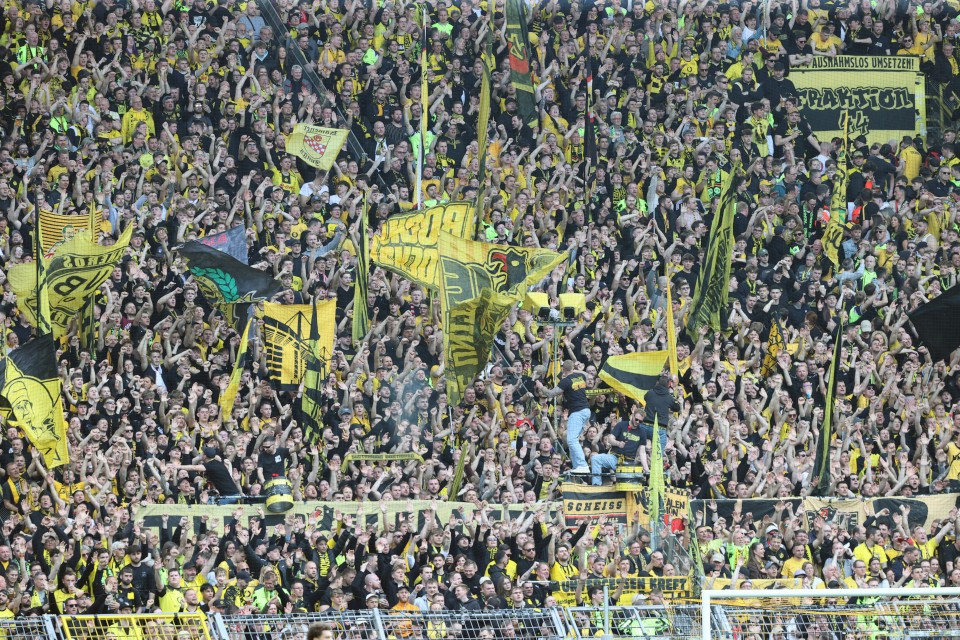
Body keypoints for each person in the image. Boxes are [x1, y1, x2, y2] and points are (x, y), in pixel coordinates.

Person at [537, 360, 591, 474]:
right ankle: (577, 466)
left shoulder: (565, 381)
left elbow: (550, 394)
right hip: (586, 410)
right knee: (574, 439)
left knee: (571, 440)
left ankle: (582, 465)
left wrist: (541, 387)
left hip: (577, 412)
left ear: (563, 370)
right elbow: (588, 375)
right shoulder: (580, 376)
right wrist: (574, 370)